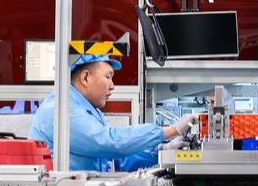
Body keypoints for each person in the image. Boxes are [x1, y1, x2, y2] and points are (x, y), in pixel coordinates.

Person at [30, 54, 194, 172]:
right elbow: (109, 142)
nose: (112, 85)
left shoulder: (88, 110)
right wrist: (170, 131)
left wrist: (162, 150)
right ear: (85, 78)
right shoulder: (61, 109)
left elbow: (114, 160)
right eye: (108, 77)